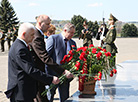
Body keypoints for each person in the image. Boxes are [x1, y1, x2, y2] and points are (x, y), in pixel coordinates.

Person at [4, 22, 60, 102]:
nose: (34, 37)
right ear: (24, 34)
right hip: (21, 92)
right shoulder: (20, 49)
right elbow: (30, 70)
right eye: (32, 35)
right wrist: (50, 79)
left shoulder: (20, 45)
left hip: (24, 90)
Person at [29, 15, 73, 102]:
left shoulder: (39, 35)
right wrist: (62, 71)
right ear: (40, 23)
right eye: (47, 24)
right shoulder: (36, 36)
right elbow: (45, 57)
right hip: (41, 75)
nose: (49, 26)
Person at [46, 23, 77, 102]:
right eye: (71, 33)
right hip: (53, 75)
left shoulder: (72, 43)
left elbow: (75, 59)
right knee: (49, 97)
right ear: (65, 30)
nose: (72, 35)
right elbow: (46, 57)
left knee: (65, 98)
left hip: (65, 77)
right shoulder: (53, 39)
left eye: (74, 33)